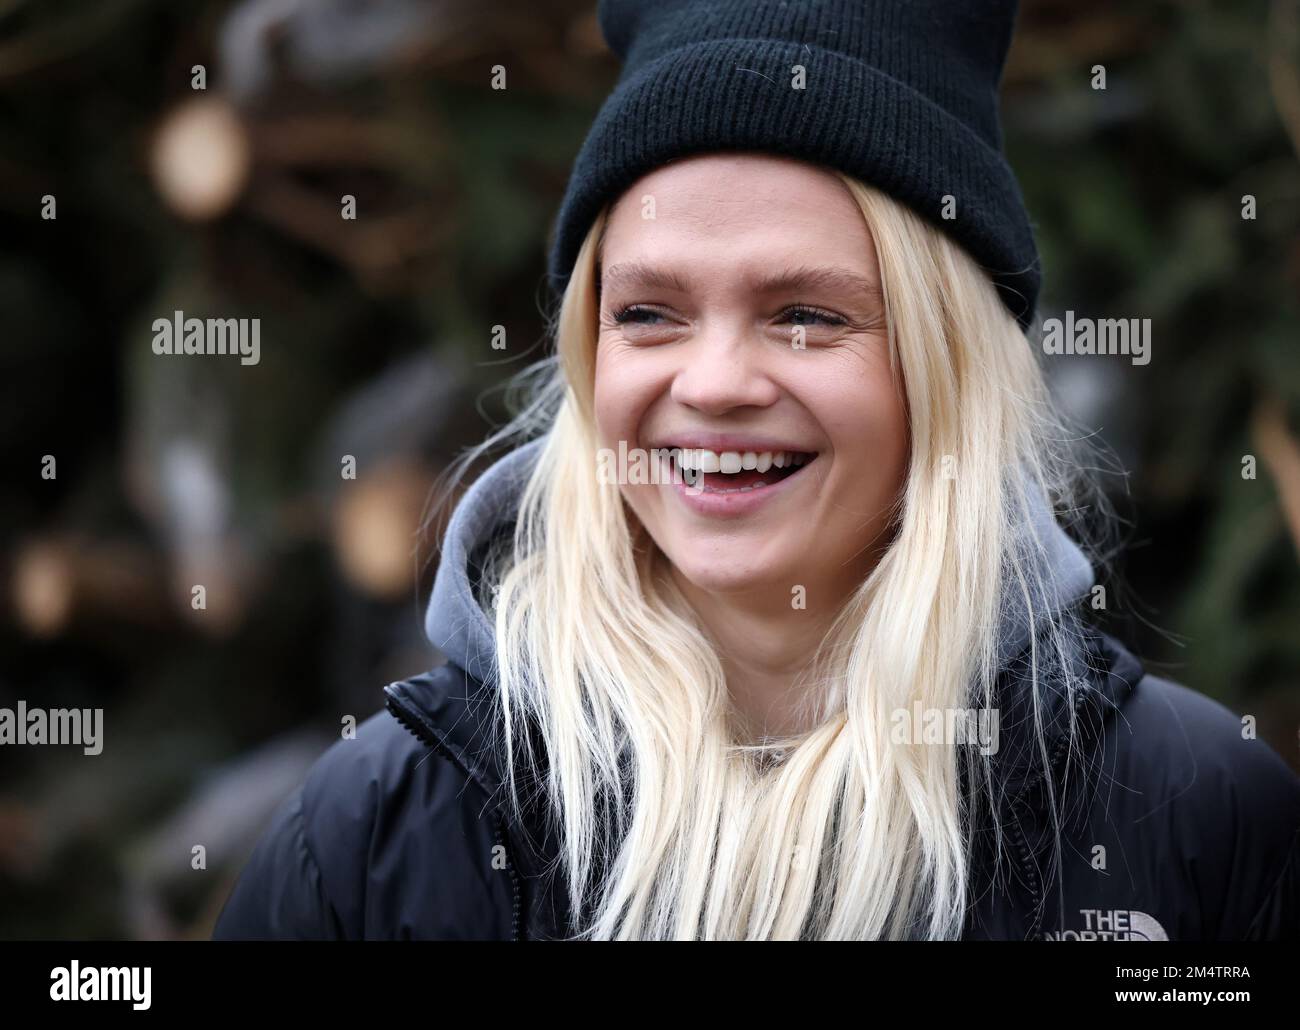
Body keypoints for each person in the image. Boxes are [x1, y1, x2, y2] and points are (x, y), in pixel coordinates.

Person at [211, 0, 1300, 940]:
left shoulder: (1195, 819)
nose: (715, 381)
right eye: (648, 313)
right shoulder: (373, 838)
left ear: (943, 364)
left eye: (806, 315)